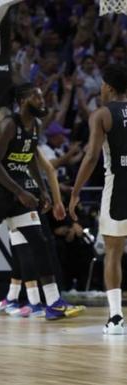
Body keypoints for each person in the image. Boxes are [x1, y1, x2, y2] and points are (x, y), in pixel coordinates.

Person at [0, 83, 84, 322]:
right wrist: (20, 191)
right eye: (38, 98)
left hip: (19, 192)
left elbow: (31, 161)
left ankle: (54, 302)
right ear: (24, 101)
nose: (43, 101)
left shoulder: (34, 126)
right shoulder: (8, 125)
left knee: (39, 241)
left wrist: (42, 190)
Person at [70, 63, 127, 335]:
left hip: (118, 187)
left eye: (102, 84)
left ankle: (116, 318)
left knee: (113, 254)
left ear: (110, 87)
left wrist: (75, 192)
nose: (101, 88)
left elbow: (91, 157)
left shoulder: (102, 115)